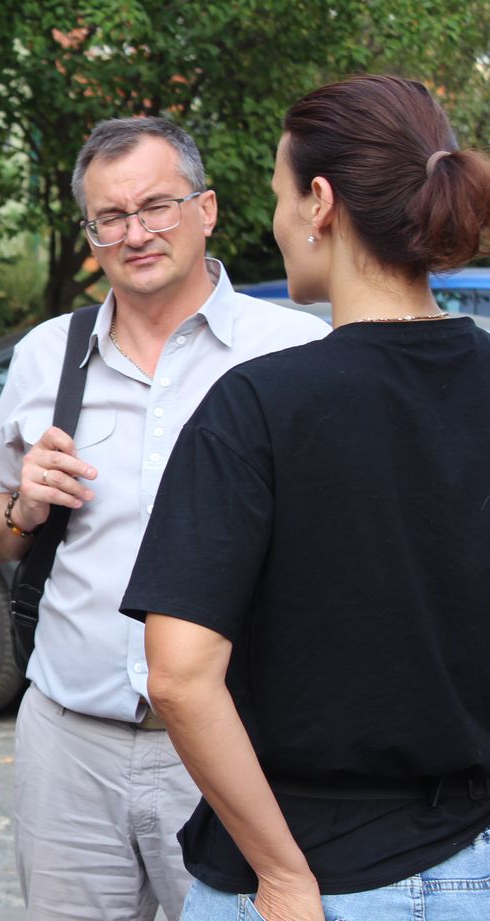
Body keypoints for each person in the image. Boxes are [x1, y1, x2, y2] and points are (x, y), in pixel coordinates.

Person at [122, 75, 490, 921]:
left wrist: (280, 873)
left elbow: (178, 675)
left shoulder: (259, 404)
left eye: (280, 196)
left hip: (318, 880)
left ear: (320, 203)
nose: (278, 221)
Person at [0, 117, 330, 920]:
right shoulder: (47, 355)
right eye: (111, 217)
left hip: (236, 749)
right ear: (89, 234)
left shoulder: (294, 351)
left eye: (156, 206)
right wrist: (23, 505)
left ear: (206, 209)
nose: (135, 234)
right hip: (69, 742)